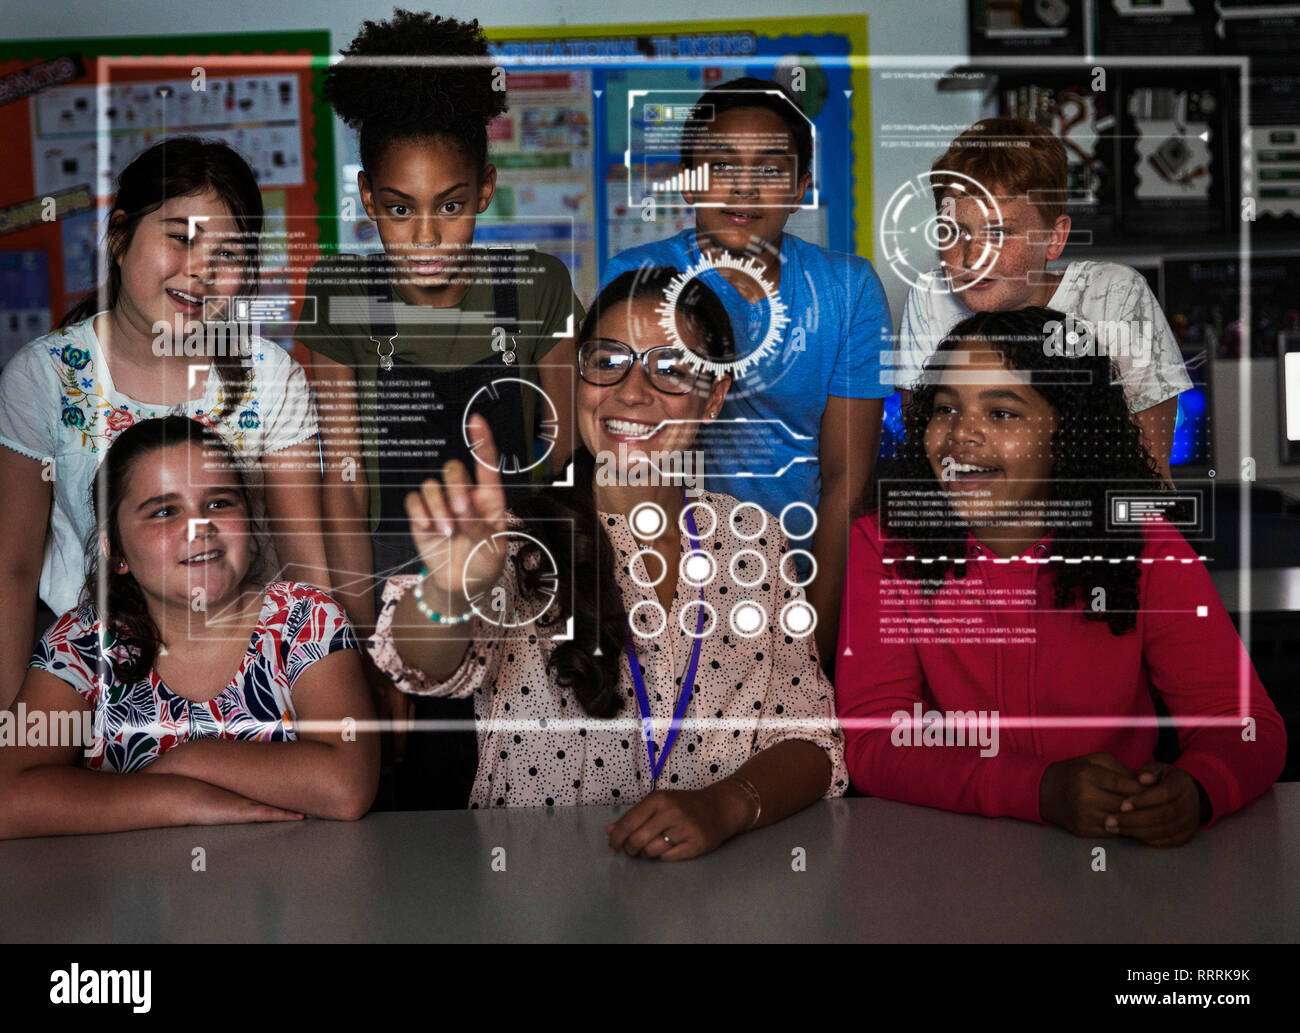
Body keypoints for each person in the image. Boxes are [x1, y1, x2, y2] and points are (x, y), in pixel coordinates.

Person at [368, 268, 847, 859]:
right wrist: (449, 591)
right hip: (542, 896)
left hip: (722, 899)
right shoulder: (515, 543)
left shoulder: (754, 541)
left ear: (714, 396)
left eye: (670, 368)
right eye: (608, 361)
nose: (632, 391)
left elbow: (810, 739)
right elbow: (424, 664)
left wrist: (722, 806)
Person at [837, 308, 1285, 846]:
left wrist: (1197, 788)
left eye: (1002, 413)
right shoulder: (884, 543)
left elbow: (1242, 721)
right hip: (948, 853)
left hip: (1115, 853)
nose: (960, 435)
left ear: (1067, 435)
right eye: (944, 408)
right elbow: (873, 741)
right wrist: (1039, 790)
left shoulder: (1144, 542)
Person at [297, 11, 582, 807]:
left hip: (524, 588)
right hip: (397, 599)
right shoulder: (339, 294)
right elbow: (345, 488)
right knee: (419, 820)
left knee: (535, 808)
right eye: (399, 208)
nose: (425, 235)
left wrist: (496, 531)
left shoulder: (536, 283)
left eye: (451, 206)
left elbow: (562, 450)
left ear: (486, 189)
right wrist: (360, 653)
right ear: (366, 198)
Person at [0, 136, 327, 710]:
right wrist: (10, 726)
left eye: (229, 254)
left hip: (255, 684)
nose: (201, 271)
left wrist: (333, 693)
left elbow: (304, 565)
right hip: (92, 682)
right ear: (121, 237)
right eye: (181, 238)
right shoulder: (43, 379)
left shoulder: (270, 377)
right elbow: (14, 569)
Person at [601, 77, 892, 666]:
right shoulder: (636, 277)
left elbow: (847, 482)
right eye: (720, 164)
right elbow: (615, 453)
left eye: (770, 168)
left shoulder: (848, 289)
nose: (743, 187)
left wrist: (812, 641)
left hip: (797, 572)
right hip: (660, 578)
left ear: (802, 187)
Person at [0, 416, 378, 839]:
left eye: (219, 503)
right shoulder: (80, 645)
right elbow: (7, 798)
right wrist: (180, 799)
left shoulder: (305, 619)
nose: (200, 527)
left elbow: (346, 786)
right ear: (116, 551)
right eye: (164, 511)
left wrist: (186, 761)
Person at [891, 117, 1191, 480]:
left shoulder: (1114, 294)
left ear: (1054, 237)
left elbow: (1151, 474)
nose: (972, 257)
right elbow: (927, 460)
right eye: (953, 232)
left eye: (999, 232)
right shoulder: (931, 296)